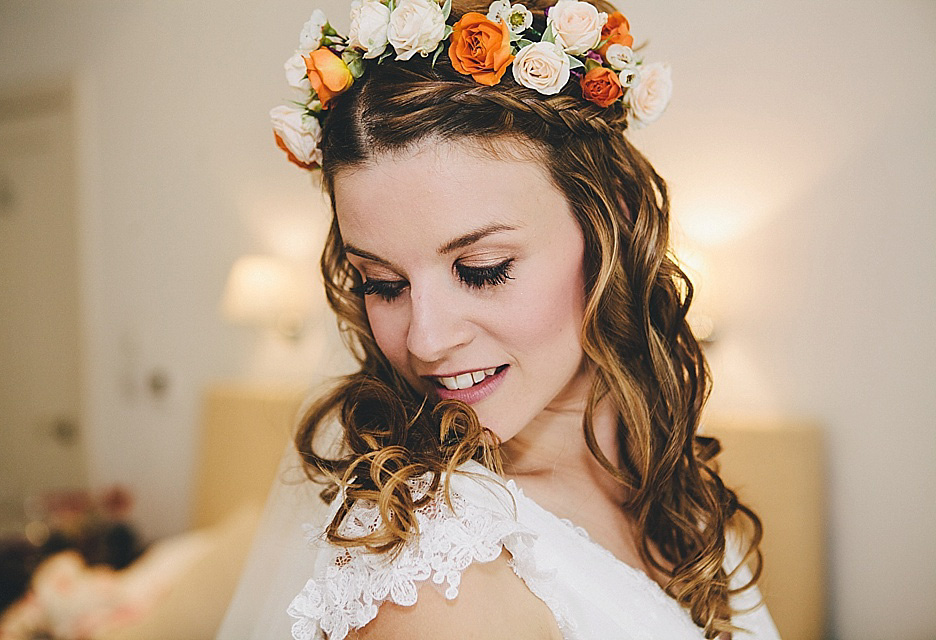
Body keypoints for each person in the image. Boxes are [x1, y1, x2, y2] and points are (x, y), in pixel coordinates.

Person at [224, 0, 782, 638]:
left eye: (482, 268)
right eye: (382, 284)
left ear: (613, 222)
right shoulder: (439, 580)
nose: (427, 341)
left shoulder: (668, 486)